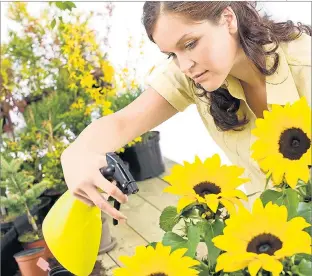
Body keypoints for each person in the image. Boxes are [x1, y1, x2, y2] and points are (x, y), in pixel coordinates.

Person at [61, 1, 311, 223]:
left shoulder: (305, 65)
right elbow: (124, 122)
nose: (185, 66)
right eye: (172, 54)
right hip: (274, 235)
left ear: (228, 18)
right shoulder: (192, 73)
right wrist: (73, 157)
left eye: (190, 44)